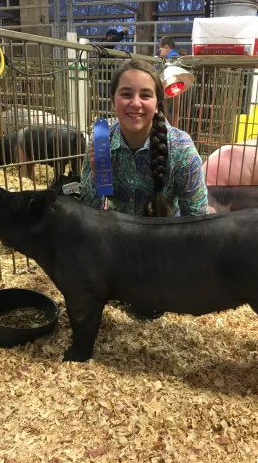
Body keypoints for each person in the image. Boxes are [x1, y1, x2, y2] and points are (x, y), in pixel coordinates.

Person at [80, 59, 209, 319]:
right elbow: (90, 213)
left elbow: (197, 220)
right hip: (117, 249)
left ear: (157, 102)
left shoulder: (181, 148)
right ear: (113, 99)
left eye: (145, 95)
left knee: (148, 311)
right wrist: (95, 177)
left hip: (165, 253)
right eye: (126, 94)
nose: (135, 103)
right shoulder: (101, 141)